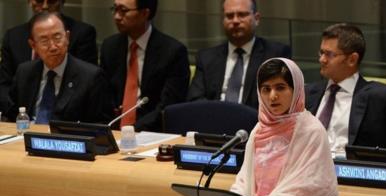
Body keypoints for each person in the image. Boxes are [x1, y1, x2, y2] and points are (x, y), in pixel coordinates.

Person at [231, 58, 341, 196]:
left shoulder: (311, 130)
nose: (272, 96)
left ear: (295, 89)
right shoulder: (258, 130)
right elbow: (245, 177)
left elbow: (315, 185)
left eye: (280, 88)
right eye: (266, 89)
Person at [305, 23, 386, 153]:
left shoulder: (381, 97)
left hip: (351, 170)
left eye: (329, 54)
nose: (322, 59)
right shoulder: (307, 93)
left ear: (352, 59)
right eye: (321, 53)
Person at [4, 11, 113, 124]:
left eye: (57, 38)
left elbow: (100, 126)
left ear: (67, 37)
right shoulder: (24, 72)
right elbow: (12, 117)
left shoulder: (91, 77)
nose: (53, 47)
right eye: (44, 41)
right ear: (33, 45)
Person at [100, 0, 190, 131]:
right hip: (113, 130)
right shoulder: (110, 47)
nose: (117, 16)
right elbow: (103, 97)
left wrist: (131, 130)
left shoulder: (173, 52)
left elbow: (168, 106)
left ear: (144, 13)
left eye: (123, 11)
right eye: (115, 9)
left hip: (154, 133)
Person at [187, 0, 291, 109]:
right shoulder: (206, 58)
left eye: (242, 15)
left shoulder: (275, 54)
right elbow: (194, 100)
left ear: (256, 18)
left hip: (256, 122)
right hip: (213, 121)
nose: (235, 20)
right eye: (229, 16)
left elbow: (279, 100)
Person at [0, 0, 98, 113]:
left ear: (67, 38)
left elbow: (85, 83)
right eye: (40, 0)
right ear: (33, 45)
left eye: (51, 1)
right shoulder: (15, 41)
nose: (45, 6)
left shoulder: (82, 33)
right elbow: (5, 86)